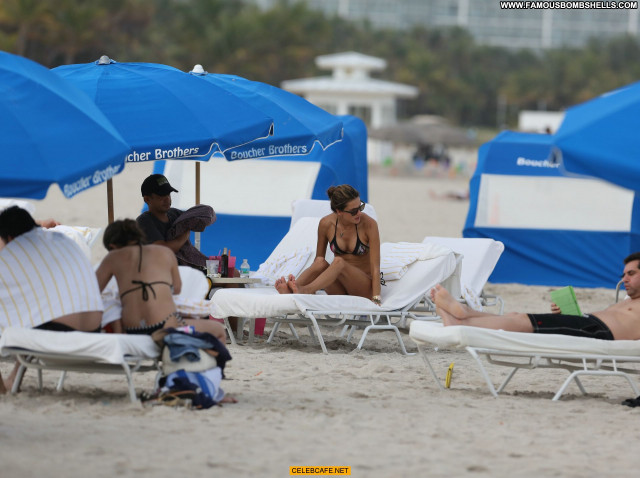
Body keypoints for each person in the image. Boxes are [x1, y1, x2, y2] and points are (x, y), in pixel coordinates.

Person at [0, 206, 103, 393]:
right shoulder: (62, 239)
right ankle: (14, 377)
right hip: (94, 329)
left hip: (62, 335)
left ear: (11, 239)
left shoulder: (19, 256)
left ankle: (1, 388)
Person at [431, 252, 640, 341]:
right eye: (623, 275)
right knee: (516, 315)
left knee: (523, 321)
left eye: (631, 274)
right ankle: (464, 316)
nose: (624, 279)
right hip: (586, 324)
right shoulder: (628, 302)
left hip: (597, 332)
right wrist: (568, 314)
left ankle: (463, 320)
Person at [95, 219, 226, 342]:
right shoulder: (165, 252)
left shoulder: (112, 257)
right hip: (165, 324)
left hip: (132, 328)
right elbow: (177, 288)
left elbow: (93, 291)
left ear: (112, 246)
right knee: (219, 331)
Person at [275, 185, 382, 305]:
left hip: (363, 288)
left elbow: (375, 267)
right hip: (339, 288)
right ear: (339, 211)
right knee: (320, 262)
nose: (359, 213)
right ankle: (293, 290)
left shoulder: (369, 225)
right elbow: (318, 261)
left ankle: (305, 290)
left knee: (338, 262)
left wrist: (376, 298)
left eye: (360, 207)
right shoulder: (326, 224)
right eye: (353, 211)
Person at [136, 174, 214, 272]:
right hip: (162, 275)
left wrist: (201, 216)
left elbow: (209, 215)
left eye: (168, 194)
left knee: (233, 273)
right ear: (147, 199)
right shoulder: (144, 221)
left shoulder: (175, 213)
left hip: (186, 270)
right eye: (161, 195)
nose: (167, 198)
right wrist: (184, 234)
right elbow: (164, 250)